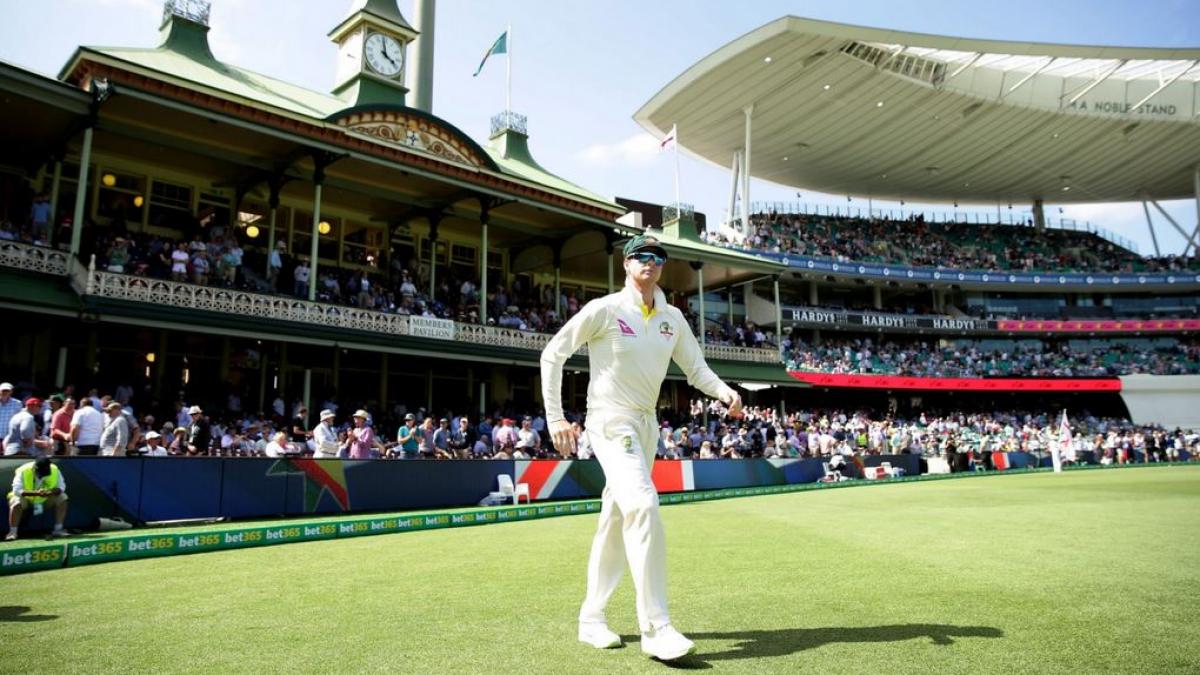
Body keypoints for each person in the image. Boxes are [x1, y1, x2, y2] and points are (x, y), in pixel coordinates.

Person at [540, 234, 743, 661]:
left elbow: (695, 368)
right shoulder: (606, 309)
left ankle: (591, 619)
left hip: (647, 423)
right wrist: (557, 418)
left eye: (657, 257)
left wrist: (726, 393)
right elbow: (553, 354)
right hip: (610, 419)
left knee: (617, 517)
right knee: (644, 505)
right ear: (627, 264)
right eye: (640, 256)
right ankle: (656, 627)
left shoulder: (671, 318)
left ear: (663, 267)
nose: (649, 262)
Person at [6, 456, 69, 540]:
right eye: (41, 472)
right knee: (16, 501)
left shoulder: (54, 469)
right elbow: (17, 490)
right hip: (26, 500)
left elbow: (61, 487)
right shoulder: (23, 470)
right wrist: (36, 493)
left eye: (45, 472)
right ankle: (12, 532)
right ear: (35, 467)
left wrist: (50, 493)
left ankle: (58, 529)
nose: (42, 475)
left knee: (62, 497)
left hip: (44, 500)